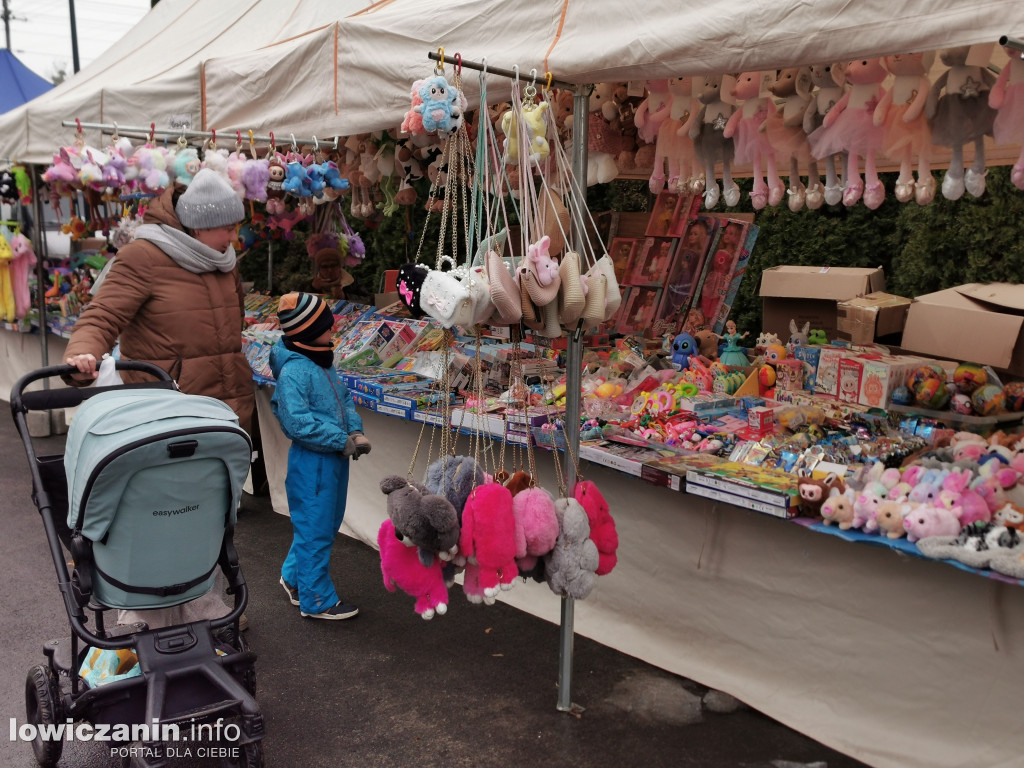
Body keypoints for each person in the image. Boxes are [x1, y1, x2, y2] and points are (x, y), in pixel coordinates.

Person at [63, 167, 255, 435]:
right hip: (167, 409)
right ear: (199, 228)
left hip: (229, 408)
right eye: (228, 229)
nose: (234, 238)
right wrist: (82, 355)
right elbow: (102, 315)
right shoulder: (143, 256)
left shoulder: (224, 261)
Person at [270, 292, 370, 620]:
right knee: (316, 528)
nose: (334, 329)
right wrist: (338, 439)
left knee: (321, 525)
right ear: (309, 331)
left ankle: (294, 577)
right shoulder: (295, 372)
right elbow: (297, 423)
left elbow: (342, 399)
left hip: (333, 456)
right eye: (327, 326)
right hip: (313, 462)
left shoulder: (320, 361)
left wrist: (354, 431)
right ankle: (317, 600)